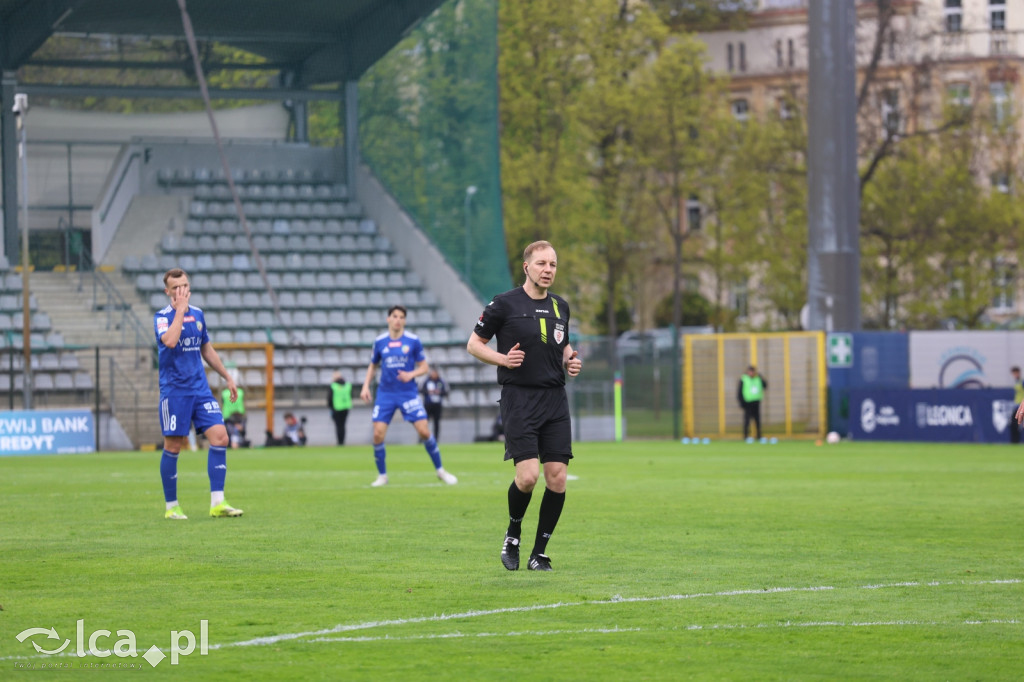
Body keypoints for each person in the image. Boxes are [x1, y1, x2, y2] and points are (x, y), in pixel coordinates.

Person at [467, 240, 583, 572]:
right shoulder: (503, 304)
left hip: (555, 399)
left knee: (557, 477)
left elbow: (562, 344)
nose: (548, 270)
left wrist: (571, 361)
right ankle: (513, 533)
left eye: (553, 265)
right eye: (542, 264)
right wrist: (502, 359)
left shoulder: (561, 307)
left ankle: (539, 553)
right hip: (519, 399)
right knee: (529, 477)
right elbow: (474, 344)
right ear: (526, 267)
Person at [155, 267, 243, 520]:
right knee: (173, 445)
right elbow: (170, 341)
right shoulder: (162, 317)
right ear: (168, 292)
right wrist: (180, 310)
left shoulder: (199, 315)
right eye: (175, 288)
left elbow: (206, 349)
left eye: (184, 286)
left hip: (200, 390)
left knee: (221, 437)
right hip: (175, 392)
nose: (181, 291)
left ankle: (218, 502)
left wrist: (227, 377)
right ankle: (171, 506)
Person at [359, 305, 458, 487]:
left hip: (408, 393)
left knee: (424, 431)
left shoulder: (413, 341)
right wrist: (365, 386)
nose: (398, 320)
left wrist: (410, 375)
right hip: (386, 394)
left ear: (404, 320)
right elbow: (373, 365)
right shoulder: (380, 341)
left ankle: (441, 471)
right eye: (395, 316)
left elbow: (424, 367)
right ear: (388, 319)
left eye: (401, 317)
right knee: (378, 435)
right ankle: (382, 476)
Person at [737, 365, 767, 441]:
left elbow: (765, 386)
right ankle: (745, 436)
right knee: (747, 420)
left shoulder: (758, 378)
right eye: (750, 371)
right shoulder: (744, 379)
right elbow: (739, 391)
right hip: (747, 402)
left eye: (752, 371)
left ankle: (759, 436)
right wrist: (741, 402)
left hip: (756, 402)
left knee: (757, 420)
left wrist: (761, 377)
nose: (751, 373)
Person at [420, 367, 449, 440]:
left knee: (436, 422)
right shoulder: (426, 381)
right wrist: (429, 392)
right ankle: (423, 438)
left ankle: (436, 438)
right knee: (425, 422)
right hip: (428, 404)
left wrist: (439, 392)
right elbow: (421, 390)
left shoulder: (441, 381)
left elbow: (446, 392)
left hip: (437, 405)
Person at [328, 371, 353, 445]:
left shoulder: (333, 386)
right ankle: (342, 441)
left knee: (338, 426)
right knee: (343, 425)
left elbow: (330, 398)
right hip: (346, 408)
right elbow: (350, 395)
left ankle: (339, 442)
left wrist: (330, 407)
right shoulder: (347, 385)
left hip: (336, 408)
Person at [222, 381, 247, 449]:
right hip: (236, 416)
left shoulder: (224, 393)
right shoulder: (241, 392)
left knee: (234, 430)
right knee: (234, 430)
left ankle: (234, 443)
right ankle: (234, 443)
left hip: (230, 416)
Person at [1011, 366, 1024, 443]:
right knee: (1014, 424)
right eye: (1014, 373)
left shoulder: (1022, 382)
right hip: (1017, 405)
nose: (1015, 375)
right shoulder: (1017, 382)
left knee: (1015, 423)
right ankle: (1015, 441)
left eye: (1016, 373)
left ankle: (1015, 441)